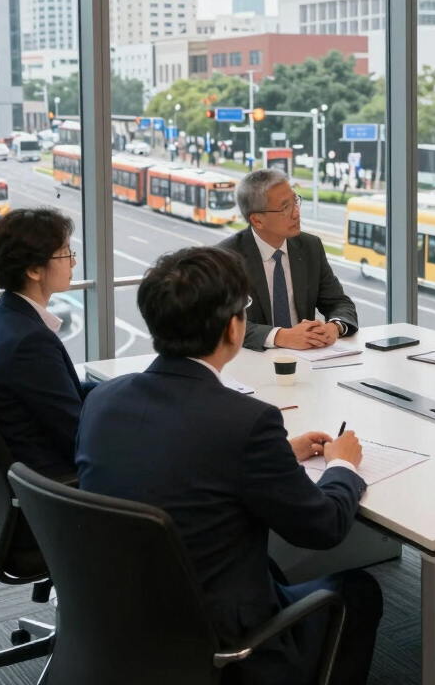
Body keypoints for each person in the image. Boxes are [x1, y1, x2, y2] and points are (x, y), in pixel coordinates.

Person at [76, 247, 382, 685]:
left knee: (272, 570)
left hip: (123, 614)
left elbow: (177, 458)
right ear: (232, 328)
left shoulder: (102, 399)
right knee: (359, 590)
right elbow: (323, 529)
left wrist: (280, 453)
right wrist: (342, 469)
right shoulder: (245, 422)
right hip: (221, 640)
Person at [0, 207, 89, 479]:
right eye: (67, 254)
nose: (73, 263)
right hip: (51, 482)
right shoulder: (30, 342)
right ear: (34, 269)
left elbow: (54, 393)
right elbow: (76, 435)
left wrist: (115, 392)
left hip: (24, 467)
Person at [220, 169, 358, 350]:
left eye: (295, 201)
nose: (296, 213)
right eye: (285, 207)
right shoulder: (226, 258)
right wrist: (281, 336)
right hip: (253, 362)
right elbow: (224, 324)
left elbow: (339, 302)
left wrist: (334, 327)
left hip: (308, 358)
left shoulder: (310, 247)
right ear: (257, 220)